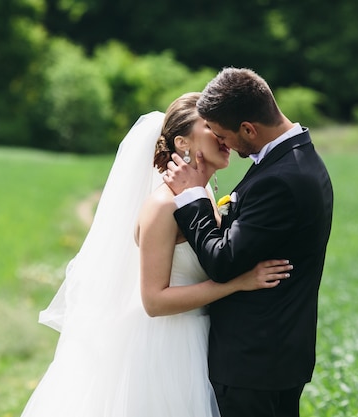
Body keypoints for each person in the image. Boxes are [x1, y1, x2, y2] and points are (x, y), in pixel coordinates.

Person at [19, 92, 293, 417]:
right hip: (167, 348)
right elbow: (154, 301)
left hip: (206, 339)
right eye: (211, 129)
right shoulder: (162, 206)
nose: (224, 137)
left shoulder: (200, 194)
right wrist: (238, 283)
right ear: (182, 143)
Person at [164, 68, 334, 417]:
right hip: (275, 355)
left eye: (224, 135)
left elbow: (223, 261)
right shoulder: (297, 159)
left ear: (248, 129)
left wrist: (192, 196)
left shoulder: (282, 179)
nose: (222, 143)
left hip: (253, 363)